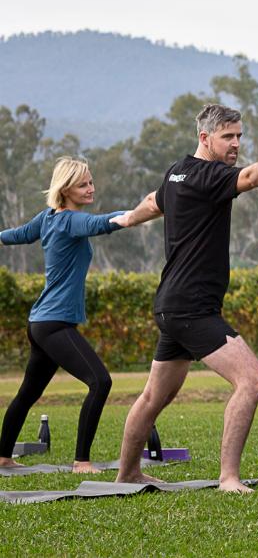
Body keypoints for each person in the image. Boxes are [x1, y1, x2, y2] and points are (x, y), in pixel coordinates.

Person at [111, 104, 258, 493]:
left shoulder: (177, 172)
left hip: (172, 304)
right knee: (252, 380)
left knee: (157, 394)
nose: (236, 143)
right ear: (205, 138)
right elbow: (254, 176)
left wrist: (126, 219)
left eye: (239, 136)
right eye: (228, 137)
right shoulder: (209, 175)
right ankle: (228, 478)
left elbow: (153, 203)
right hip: (191, 307)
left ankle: (127, 474)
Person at [0, 158, 143, 473]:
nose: (90, 188)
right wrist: (135, 214)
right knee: (100, 381)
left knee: (28, 393)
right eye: (83, 184)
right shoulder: (68, 220)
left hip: (40, 322)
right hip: (54, 324)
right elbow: (100, 224)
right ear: (65, 189)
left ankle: (3, 456)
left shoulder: (47, 218)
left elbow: (19, 234)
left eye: (91, 182)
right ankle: (81, 462)